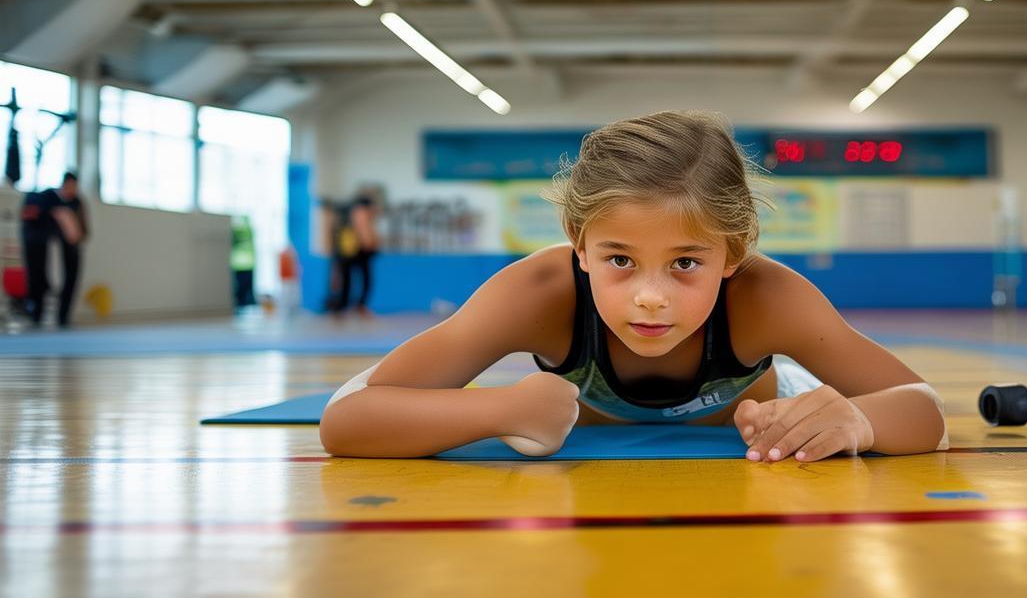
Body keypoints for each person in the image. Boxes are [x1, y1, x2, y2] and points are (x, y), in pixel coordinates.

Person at [319, 112, 947, 461]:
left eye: (684, 264)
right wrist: (498, 409)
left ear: (735, 251)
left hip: (754, 444)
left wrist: (859, 420)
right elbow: (347, 421)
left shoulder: (768, 298)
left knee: (827, 404)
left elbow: (924, 408)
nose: (651, 296)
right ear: (577, 239)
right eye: (619, 259)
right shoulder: (539, 293)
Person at [20, 172, 88, 328]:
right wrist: (61, 216)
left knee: (72, 269)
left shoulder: (76, 202)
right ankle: (36, 313)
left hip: (64, 242)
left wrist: (74, 231)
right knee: (38, 275)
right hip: (39, 241)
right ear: (64, 184)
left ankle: (63, 316)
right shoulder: (45, 198)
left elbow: (78, 231)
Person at [325, 189, 381, 316]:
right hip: (356, 251)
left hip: (346, 252)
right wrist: (371, 244)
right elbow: (365, 234)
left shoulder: (346, 213)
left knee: (348, 280)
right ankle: (357, 305)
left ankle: (344, 306)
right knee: (362, 279)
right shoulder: (361, 211)